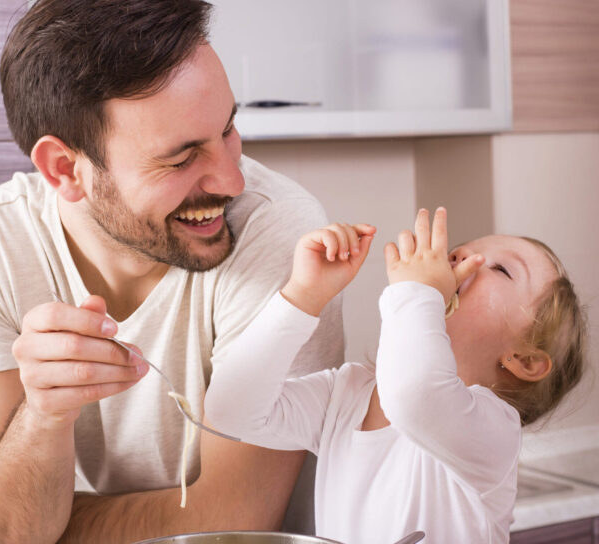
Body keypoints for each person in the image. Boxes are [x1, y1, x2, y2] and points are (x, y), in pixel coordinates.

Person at [0, 0, 345, 544]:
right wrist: (44, 416)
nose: (232, 178)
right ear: (65, 170)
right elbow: (6, 529)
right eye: (181, 157)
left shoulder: (281, 235)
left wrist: (43, 524)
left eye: (228, 129)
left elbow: (235, 524)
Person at [205, 207, 587, 544]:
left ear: (524, 359)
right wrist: (303, 295)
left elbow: (416, 396)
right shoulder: (348, 393)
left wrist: (417, 292)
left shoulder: (494, 429)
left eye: (501, 269)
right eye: (462, 251)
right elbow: (230, 411)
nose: (461, 257)